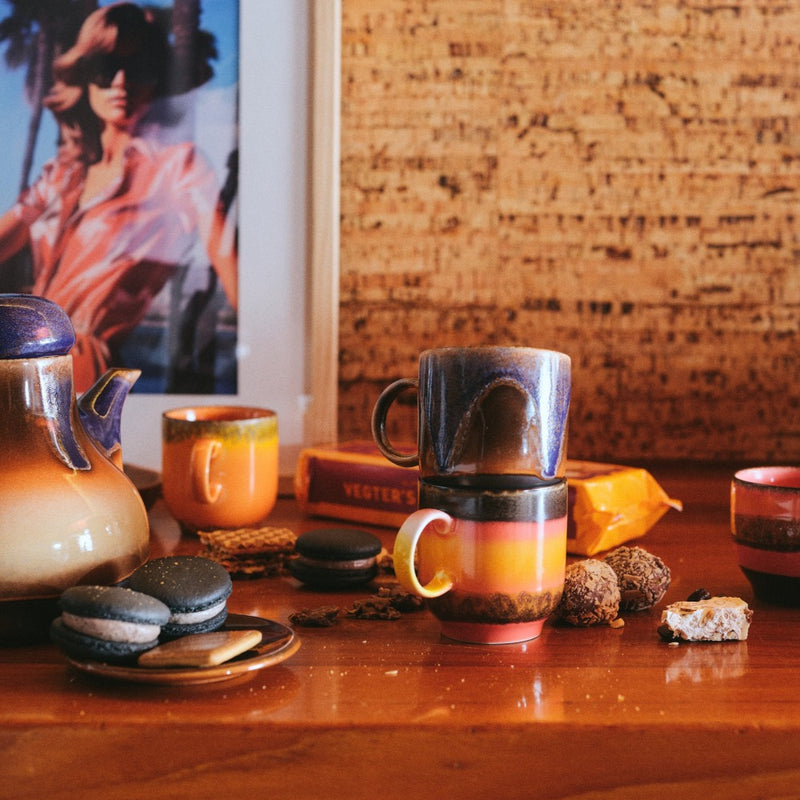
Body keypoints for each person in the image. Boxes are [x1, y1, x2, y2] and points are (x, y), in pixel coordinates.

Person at [0, 2, 238, 392]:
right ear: (84, 76)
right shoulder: (64, 174)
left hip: (82, 368)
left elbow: (230, 262)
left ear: (158, 78)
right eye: (105, 69)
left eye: (140, 67)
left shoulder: (179, 167)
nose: (121, 82)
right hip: (24, 366)